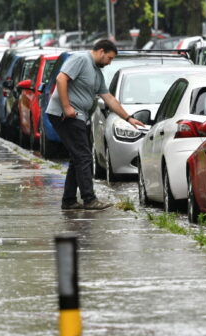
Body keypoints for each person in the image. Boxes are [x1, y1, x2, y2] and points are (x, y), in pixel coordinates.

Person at [45, 39, 143, 211]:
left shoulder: (97, 73)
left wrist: (128, 118)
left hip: (79, 116)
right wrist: (67, 107)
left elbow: (109, 99)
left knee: (78, 157)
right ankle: (89, 199)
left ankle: (68, 200)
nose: (109, 62)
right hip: (65, 115)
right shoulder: (81, 59)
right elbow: (61, 79)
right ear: (101, 51)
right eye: (110, 58)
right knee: (83, 156)